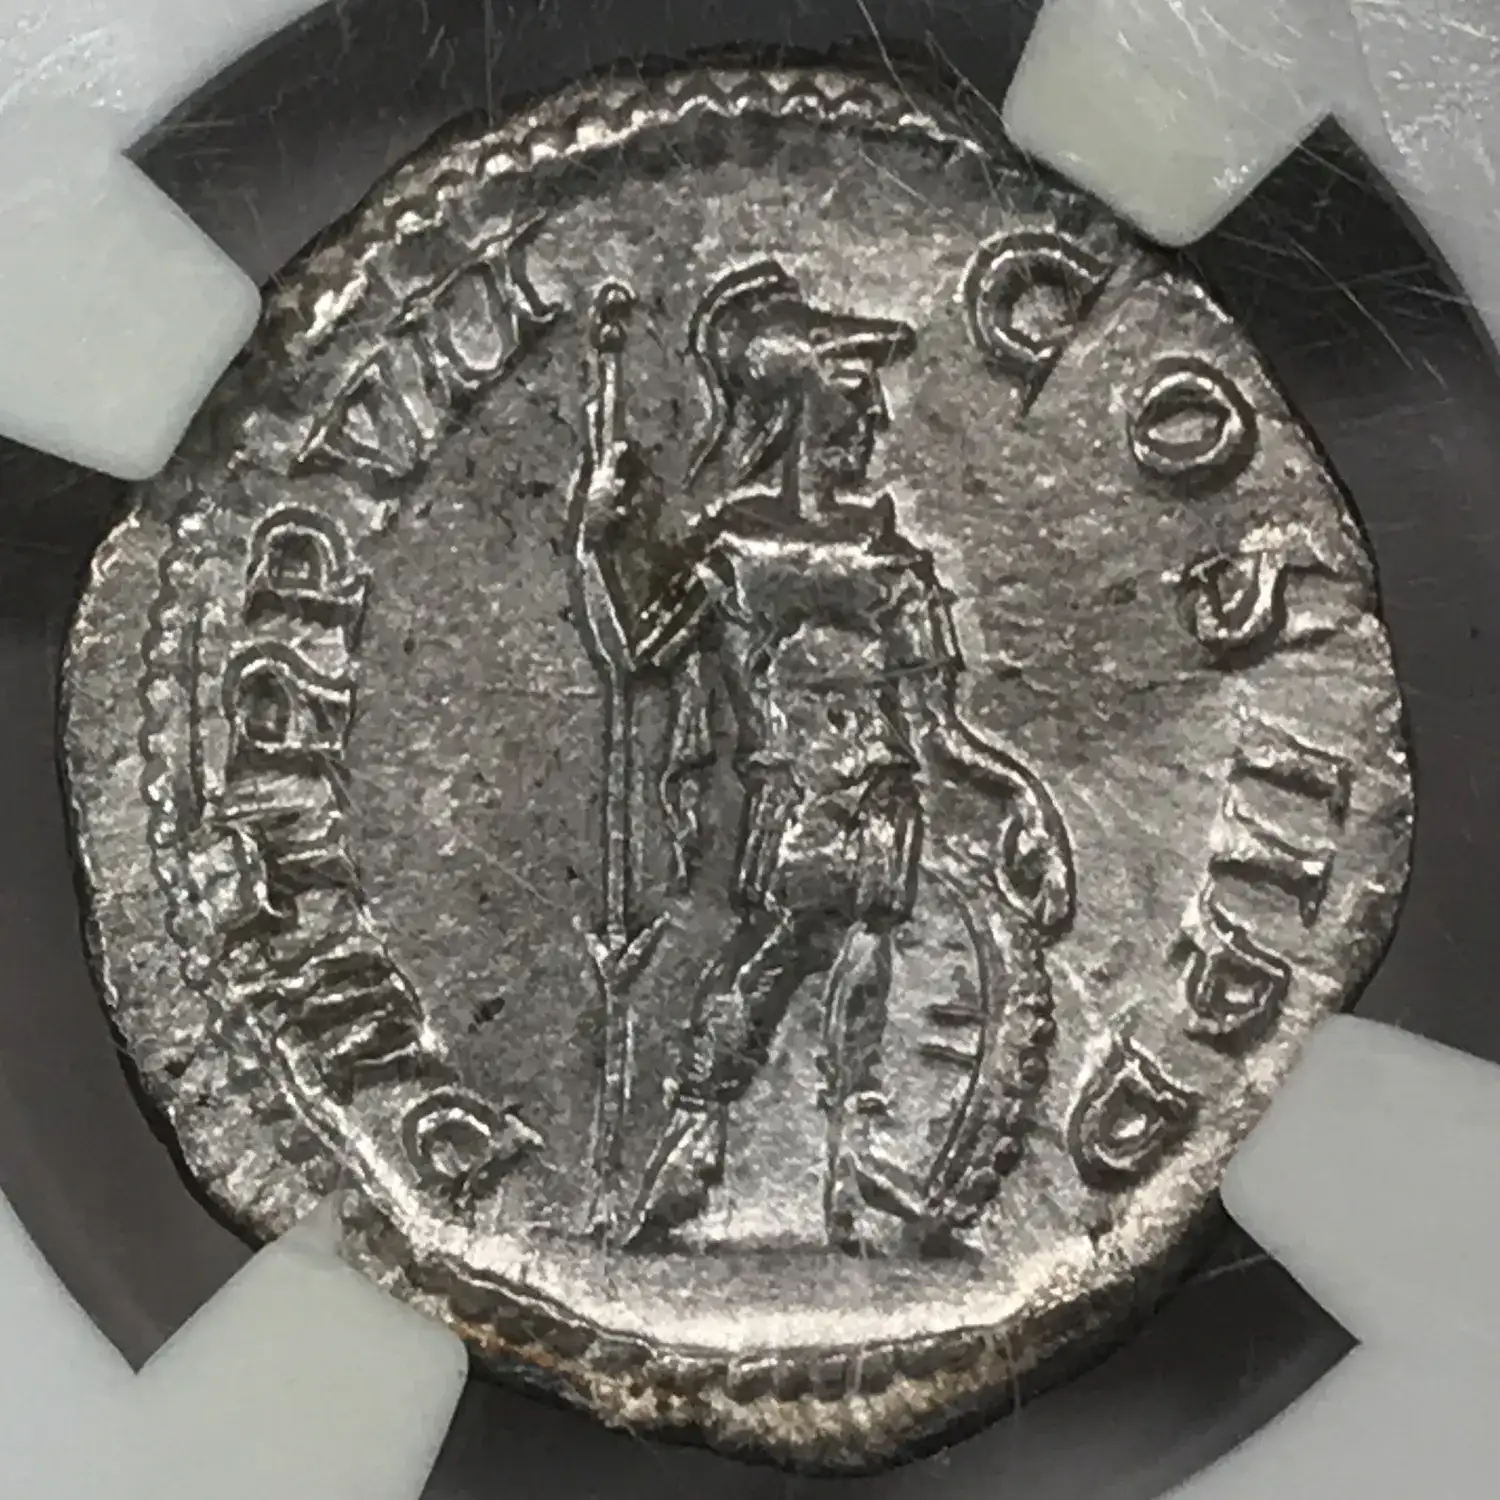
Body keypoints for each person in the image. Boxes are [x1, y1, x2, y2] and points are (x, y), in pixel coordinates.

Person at [573, 259, 1073, 1250]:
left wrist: (1027, 802)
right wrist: (595, 545)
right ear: (798, 405)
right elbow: (635, 658)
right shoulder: (734, 558)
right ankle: (701, 1144)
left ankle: (845, 1168)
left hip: (882, 800)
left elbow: (940, 732)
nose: (876, 416)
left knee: (857, 957)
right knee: (777, 954)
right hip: (795, 801)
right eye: (855, 390)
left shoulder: (894, 565)